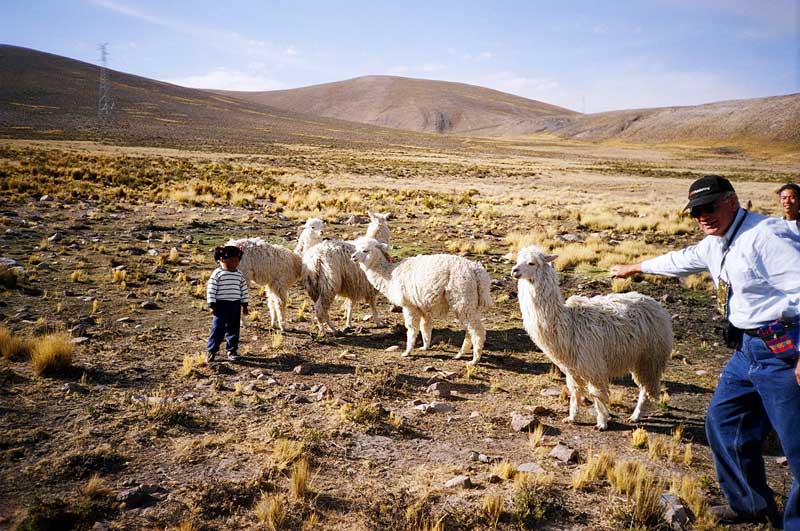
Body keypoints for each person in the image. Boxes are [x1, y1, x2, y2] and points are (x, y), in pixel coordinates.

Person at [610, 175, 800, 528]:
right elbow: (680, 258)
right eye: (696, 211)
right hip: (748, 349)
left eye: (709, 207)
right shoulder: (717, 241)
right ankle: (750, 505)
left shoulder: (766, 236)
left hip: (785, 348)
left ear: (732, 200)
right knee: (724, 423)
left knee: (798, 446)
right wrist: (634, 267)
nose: (702, 216)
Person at [206, 245, 249, 362]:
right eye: (230, 261)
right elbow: (211, 289)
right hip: (221, 306)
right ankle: (212, 350)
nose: (234, 264)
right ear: (221, 260)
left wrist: (245, 305)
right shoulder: (217, 273)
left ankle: (232, 350)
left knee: (234, 329)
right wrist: (212, 305)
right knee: (217, 328)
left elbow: (243, 290)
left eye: (236, 261)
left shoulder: (239, 274)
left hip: (235, 305)